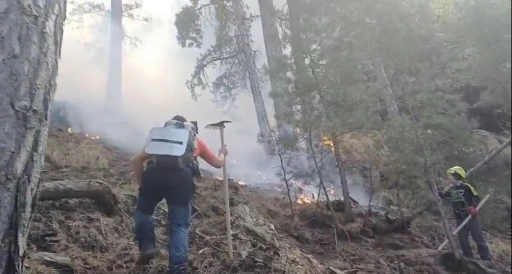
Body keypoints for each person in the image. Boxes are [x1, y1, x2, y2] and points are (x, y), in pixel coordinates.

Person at [130, 115, 228, 274]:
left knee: (143, 212)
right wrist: (222, 153)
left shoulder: (160, 139)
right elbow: (218, 164)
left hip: (153, 176)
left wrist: (143, 186)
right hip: (181, 181)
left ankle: (147, 246)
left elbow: (135, 160)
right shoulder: (195, 141)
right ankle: (178, 269)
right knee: (179, 226)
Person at [439, 166, 491, 261]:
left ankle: (485, 257)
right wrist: (440, 193)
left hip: (470, 216)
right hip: (459, 217)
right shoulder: (453, 189)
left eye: (450, 176)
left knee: (477, 236)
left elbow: (476, 197)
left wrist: (474, 207)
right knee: (462, 239)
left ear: (456, 175)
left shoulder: (467, 186)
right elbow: (444, 195)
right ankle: (468, 258)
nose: (448, 178)